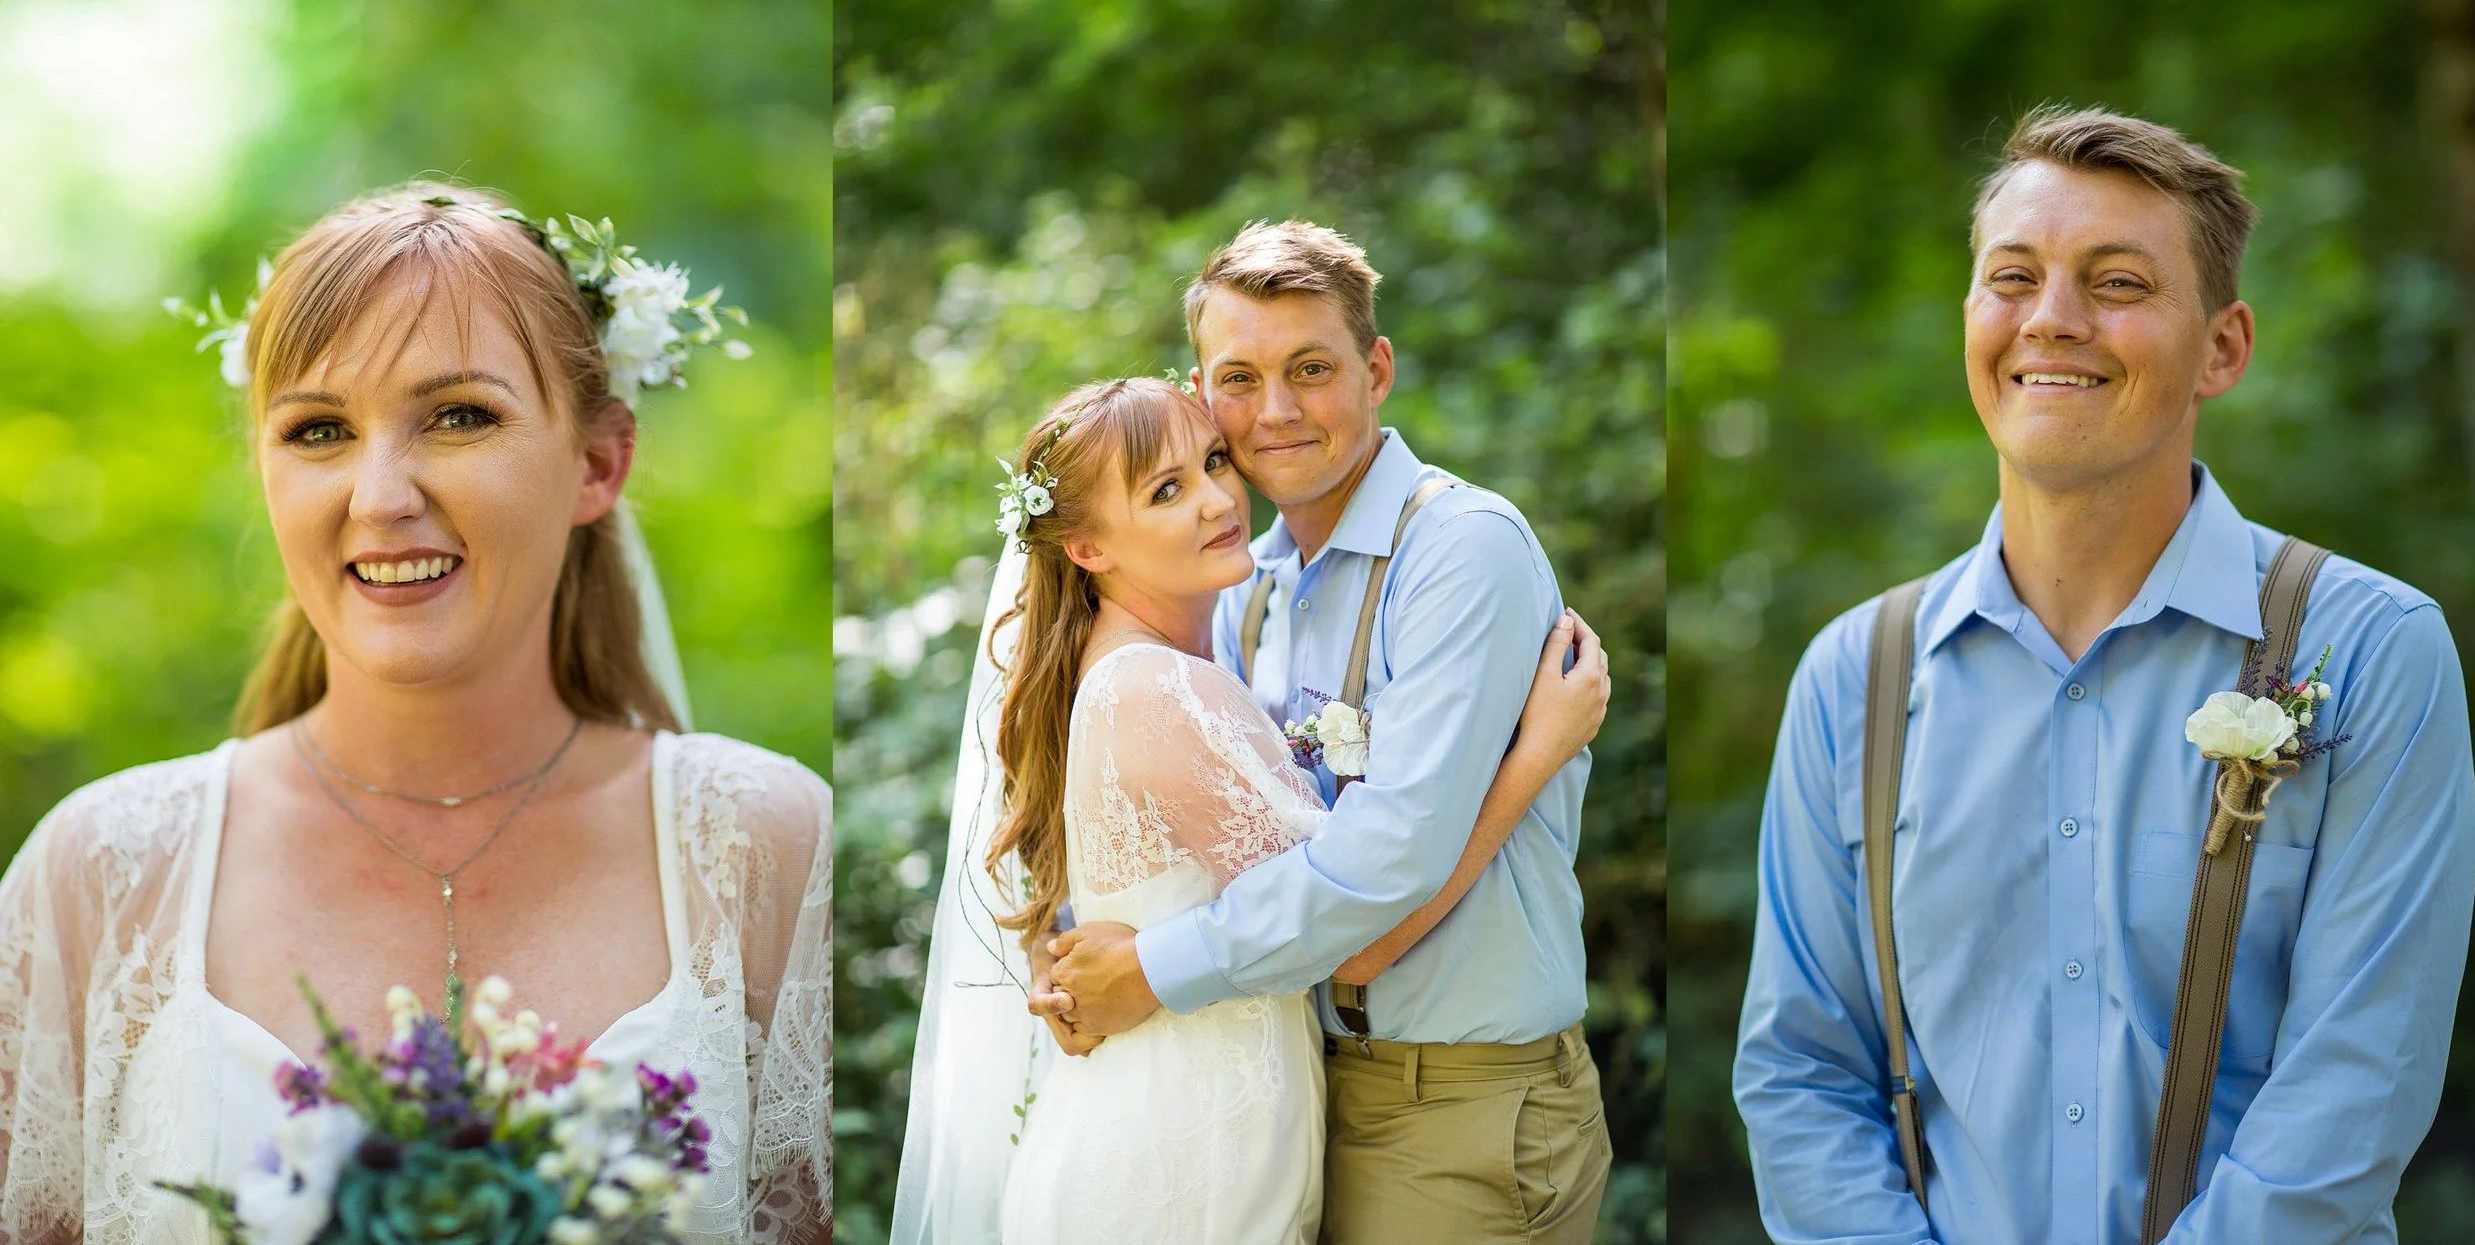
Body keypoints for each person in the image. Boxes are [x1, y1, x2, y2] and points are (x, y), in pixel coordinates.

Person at [0, 185, 832, 1243]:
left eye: (459, 415)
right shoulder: (101, 873)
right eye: (318, 429)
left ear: (596, 461)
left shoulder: (768, 849)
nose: (379, 494)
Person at [1733, 106, 2475, 1244]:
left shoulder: (2370, 649)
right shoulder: (1855, 677)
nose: (2052, 321)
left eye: (2117, 284)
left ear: (2221, 348)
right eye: (2012, 277)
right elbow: (1800, 1072)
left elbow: (2359, 1074)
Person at [1035, 222, 1614, 1244]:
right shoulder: (1246, 587)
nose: (1277, 411)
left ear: (1375, 368)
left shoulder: (1458, 553)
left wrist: (1146, 967)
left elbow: (1384, 869)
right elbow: (1196, 832)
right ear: (1201, 388)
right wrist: (1086, 937)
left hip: (1456, 1106)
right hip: (1293, 1094)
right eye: (1239, 378)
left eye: (1311, 368)